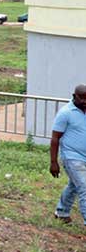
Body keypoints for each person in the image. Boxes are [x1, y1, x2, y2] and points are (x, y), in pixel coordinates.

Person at [50, 84, 86, 226]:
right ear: (74, 96)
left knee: (74, 185)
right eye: (81, 98)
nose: (84, 101)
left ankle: (62, 212)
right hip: (72, 157)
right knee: (84, 188)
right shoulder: (65, 113)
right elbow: (55, 138)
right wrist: (53, 162)